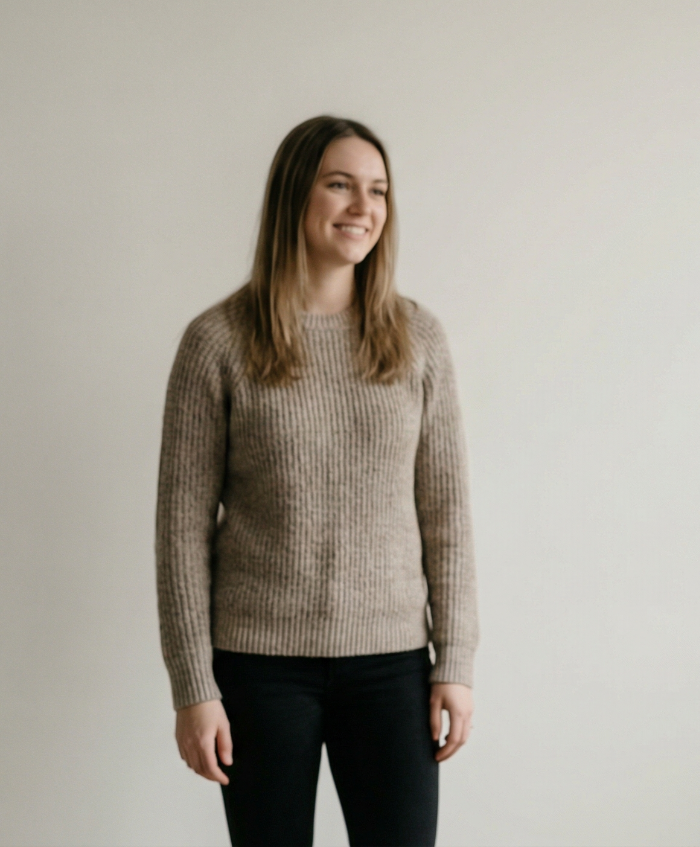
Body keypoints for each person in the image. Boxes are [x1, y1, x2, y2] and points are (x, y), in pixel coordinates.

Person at [156, 116, 479, 847]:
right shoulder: (217, 342)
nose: (363, 208)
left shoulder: (417, 339)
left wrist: (454, 660)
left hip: (394, 669)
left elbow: (447, 514)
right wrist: (194, 687)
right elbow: (180, 530)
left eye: (378, 191)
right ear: (294, 197)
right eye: (340, 185)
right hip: (260, 672)